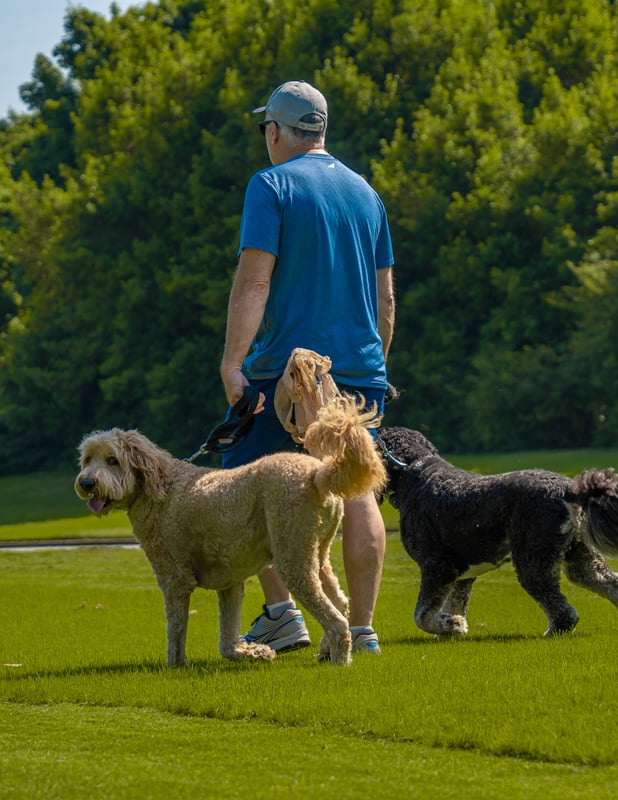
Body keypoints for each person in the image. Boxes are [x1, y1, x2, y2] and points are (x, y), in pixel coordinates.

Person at [219, 80, 396, 654]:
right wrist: (373, 370)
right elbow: (386, 300)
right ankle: (362, 628)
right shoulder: (366, 194)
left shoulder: (269, 185)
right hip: (361, 369)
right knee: (357, 489)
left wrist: (232, 363)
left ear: (274, 131)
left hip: (285, 372)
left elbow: (254, 279)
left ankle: (283, 613)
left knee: (253, 487)